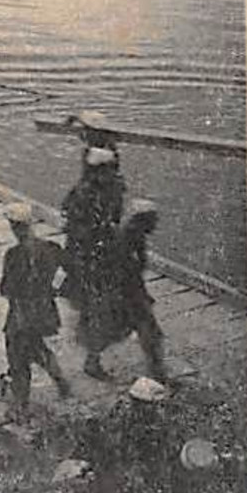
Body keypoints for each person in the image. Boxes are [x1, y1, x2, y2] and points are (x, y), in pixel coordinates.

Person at [0, 204, 73, 419]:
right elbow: (70, 271)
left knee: (18, 358)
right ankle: (61, 383)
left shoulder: (13, 255)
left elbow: (6, 289)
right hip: (44, 312)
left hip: (21, 314)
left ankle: (21, 406)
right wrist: (54, 289)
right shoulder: (50, 248)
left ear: (14, 227)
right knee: (37, 347)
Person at [63, 146, 126, 378]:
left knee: (99, 309)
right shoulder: (84, 195)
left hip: (101, 258)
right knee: (97, 309)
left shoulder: (108, 190)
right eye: (109, 170)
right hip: (89, 261)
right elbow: (76, 230)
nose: (114, 174)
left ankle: (93, 355)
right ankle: (92, 360)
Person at [93, 198, 170, 383]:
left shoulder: (136, 237)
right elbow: (122, 272)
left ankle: (157, 371)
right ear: (142, 220)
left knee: (120, 331)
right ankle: (158, 374)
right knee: (148, 333)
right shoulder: (124, 241)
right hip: (126, 296)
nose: (156, 224)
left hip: (130, 294)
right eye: (153, 220)